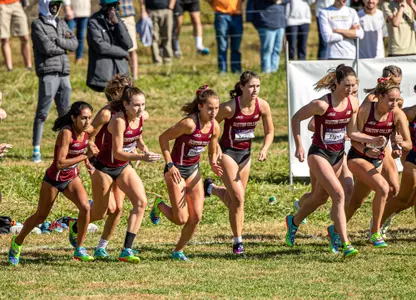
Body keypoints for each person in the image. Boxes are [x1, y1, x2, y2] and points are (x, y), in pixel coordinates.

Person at [286, 64, 387, 258]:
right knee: (339, 194)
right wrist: (298, 145)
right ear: (337, 83)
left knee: (320, 198)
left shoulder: (353, 103)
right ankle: (344, 243)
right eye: (346, 85)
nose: (350, 89)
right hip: (319, 155)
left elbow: (352, 133)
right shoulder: (322, 104)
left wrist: (371, 140)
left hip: (339, 156)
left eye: (353, 85)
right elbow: (296, 118)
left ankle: (294, 221)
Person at [8, 101, 96, 266]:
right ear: (73, 118)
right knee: (41, 216)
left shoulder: (88, 130)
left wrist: (88, 156)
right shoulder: (66, 133)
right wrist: (85, 156)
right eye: (83, 118)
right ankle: (17, 242)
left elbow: (89, 139)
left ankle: (80, 248)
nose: (87, 122)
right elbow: (60, 163)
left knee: (85, 207)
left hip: (71, 177)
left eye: (89, 118)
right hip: (54, 179)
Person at [79, 87, 161, 263]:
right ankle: (75, 224)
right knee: (103, 212)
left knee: (140, 202)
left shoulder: (141, 117)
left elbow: (136, 136)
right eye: (136, 105)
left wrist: (143, 147)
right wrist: (141, 156)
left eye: (143, 104)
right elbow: (116, 152)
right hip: (104, 167)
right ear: (125, 104)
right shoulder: (118, 121)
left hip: (123, 167)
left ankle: (125, 250)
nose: (140, 109)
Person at [204, 71, 274, 255]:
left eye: (257, 86)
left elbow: (269, 132)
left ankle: (210, 189)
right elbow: (211, 124)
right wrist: (214, 149)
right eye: (251, 86)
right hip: (227, 153)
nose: (255, 90)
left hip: (245, 156)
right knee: (239, 199)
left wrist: (265, 148)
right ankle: (238, 241)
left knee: (235, 200)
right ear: (242, 87)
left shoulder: (263, 106)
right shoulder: (229, 108)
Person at [150, 86, 222, 261]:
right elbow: (163, 138)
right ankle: (159, 204)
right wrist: (170, 164)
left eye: (216, 108)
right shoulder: (189, 124)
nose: (213, 112)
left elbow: (212, 150)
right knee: (181, 218)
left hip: (193, 170)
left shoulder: (214, 127)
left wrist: (213, 163)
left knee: (196, 217)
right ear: (200, 107)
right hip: (175, 170)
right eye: (209, 108)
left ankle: (178, 251)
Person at [344, 77, 411, 248]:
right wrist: (366, 149)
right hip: (358, 156)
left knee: (356, 202)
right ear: (380, 97)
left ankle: (336, 230)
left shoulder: (397, 114)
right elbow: (353, 138)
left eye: (397, 100)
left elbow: (409, 144)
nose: (394, 104)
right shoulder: (366, 110)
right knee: (383, 188)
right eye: (391, 100)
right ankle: (375, 231)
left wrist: (400, 144)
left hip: (377, 160)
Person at [86, 74, 134, 260]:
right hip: (101, 163)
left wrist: (139, 148)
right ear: (116, 93)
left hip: (120, 163)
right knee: (104, 210)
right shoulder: (106, 113)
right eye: (125, 91)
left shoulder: (129, 113)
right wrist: (89, 144)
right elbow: (89, 132)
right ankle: (79, 223)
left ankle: (101, 247)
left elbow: (131, 135)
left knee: (119, 208)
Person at [31, 0, 78, 163]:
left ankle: (66, 148)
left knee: (66, 114)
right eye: (52, 5)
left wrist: (58, 41)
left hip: (64, 72)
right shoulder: (37, 24)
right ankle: (36, 149)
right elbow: (46, 48)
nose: (55, 8)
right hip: (48, 72)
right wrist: (63, 44)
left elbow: (74, 44)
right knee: (42, 112)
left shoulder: (62, 22)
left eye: (57, 5)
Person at [86, 0, 132, 93]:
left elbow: (128, 44)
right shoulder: (93, 21)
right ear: (103, 6)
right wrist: (123, 53)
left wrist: (118, 25)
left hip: (121, 70)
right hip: (105, 71)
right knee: (114, 102)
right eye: (109, 6)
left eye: (114, 5)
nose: (112, 9)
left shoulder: (118, 19)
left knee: (124, 102)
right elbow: (100, 46)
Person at [251, 0, 286, 73]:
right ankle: (266, 71)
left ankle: (274, 71)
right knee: (267, 49)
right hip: (266, 23)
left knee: (277, 49)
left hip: (280, 22)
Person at [140, 0, 175, 66]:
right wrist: (143, 10)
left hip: (166, 10)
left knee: (167, 37)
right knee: (153, 38)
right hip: (151, 11)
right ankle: (157, 61)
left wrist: (171, 7)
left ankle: (168, 60)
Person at [211, 0, 243, 73]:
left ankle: (236, 70)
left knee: (236, 46)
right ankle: (222, 70)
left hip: (237, 15)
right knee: (222, 46)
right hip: (221, 14)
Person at [0, 0, 32, 71]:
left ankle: (29, 67)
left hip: (16, 4)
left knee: (25, 37)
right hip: (2, 5)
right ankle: (9, 68)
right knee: (5, 39)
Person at [119, 0, 139, 80]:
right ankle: (121, 75)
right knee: (116, 49)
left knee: (132, 48)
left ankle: (135, 76)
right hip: (113, 15)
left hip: (128, 15)